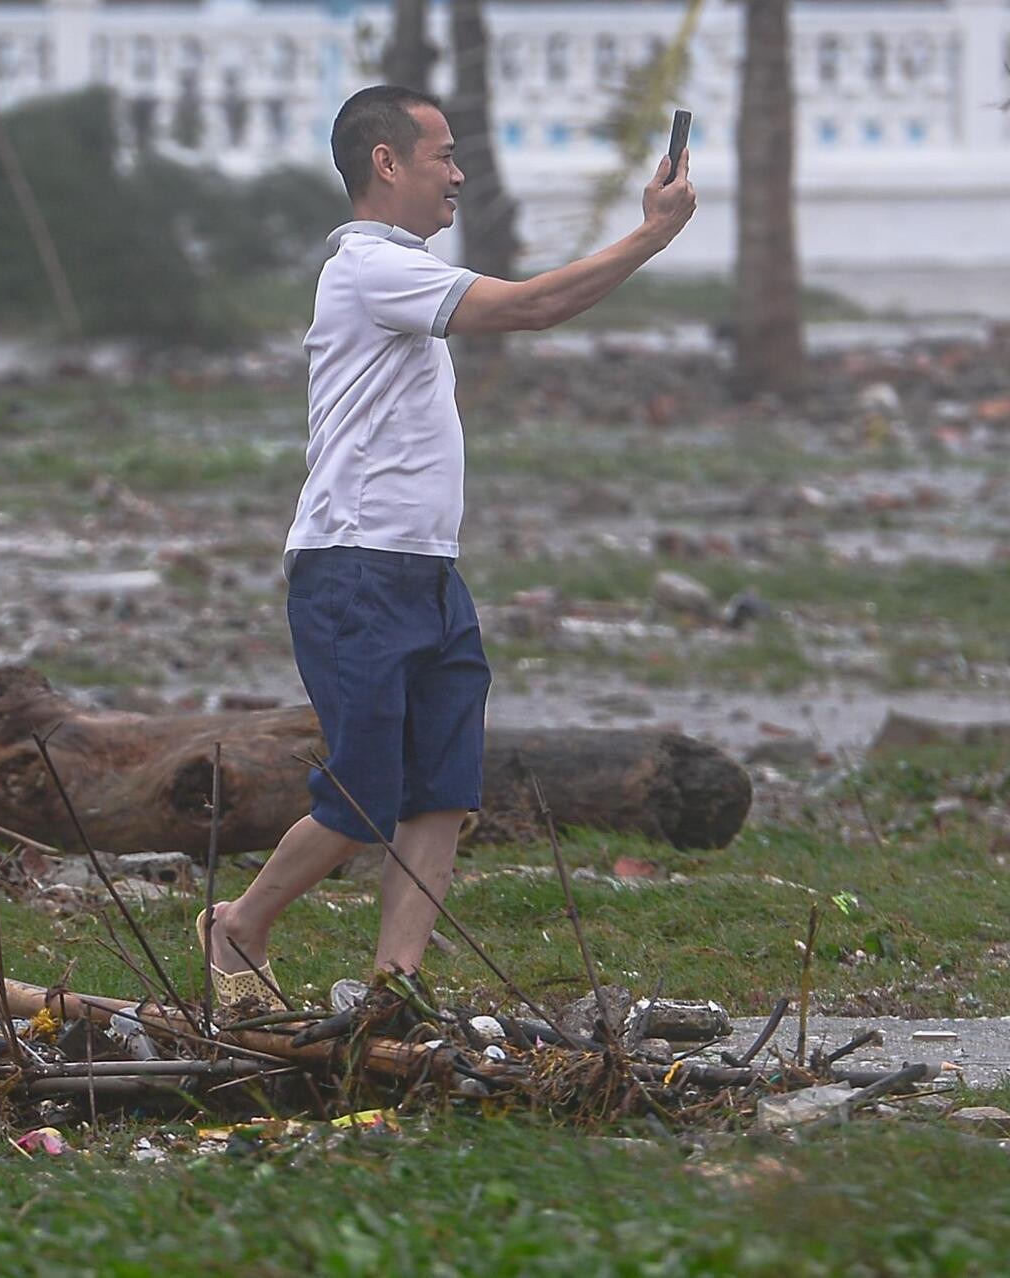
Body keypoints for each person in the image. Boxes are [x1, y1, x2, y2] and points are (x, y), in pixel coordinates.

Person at [197, 84, 696, 1012]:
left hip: (427, 569)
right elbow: (531, 307)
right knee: (363, 797)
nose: (459, 173)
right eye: (443, 156)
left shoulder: (406, 271)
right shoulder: (367, 267)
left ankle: (398, 985)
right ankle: (238, 925)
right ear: (386, 165)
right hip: (353, 567)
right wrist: (651, 237)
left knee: (442, 794)